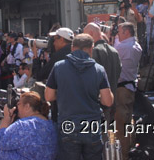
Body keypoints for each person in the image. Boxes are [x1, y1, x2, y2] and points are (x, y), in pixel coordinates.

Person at [45, 34, 113, 160]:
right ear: (91, 48)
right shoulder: (99, 70)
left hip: (68, 125)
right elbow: (107, 101)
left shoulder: (59, 67)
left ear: (72, 48)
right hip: (91, 126)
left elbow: (48, 96)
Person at [0, 91, 57, 160]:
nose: (16, 107)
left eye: (19, 104)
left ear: (27, 106)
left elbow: (0, 143)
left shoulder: (23, 125)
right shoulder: (50, 124)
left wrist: (6, 119)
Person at [114, 22, 142, 160]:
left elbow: (113, 53)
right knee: (128, 122)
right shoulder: (136, 46)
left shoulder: (123, 47)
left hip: (122, 89)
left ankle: (123, 155)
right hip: (130, 87)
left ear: (126, 32)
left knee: (120, 126)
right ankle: (130, 150)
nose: (117, 34)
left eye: (119, 31)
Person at [83, 23, 122, 122]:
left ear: (91, 34)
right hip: (112, 101)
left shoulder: (94, 52)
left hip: (99, 105)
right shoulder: (114, 51)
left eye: (85, 35)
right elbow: (118, 72)